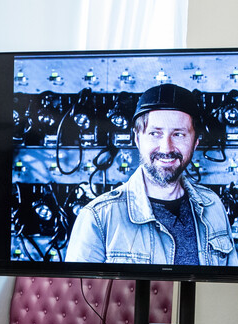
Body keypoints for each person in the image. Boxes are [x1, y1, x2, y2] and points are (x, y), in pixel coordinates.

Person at [66, 83, 238, 265]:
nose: (167, 148)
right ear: (137, 139)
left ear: (195, 142)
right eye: (155, 133)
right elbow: (78, 293)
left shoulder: (213, 207)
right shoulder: (98, 218)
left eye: (178, 134)